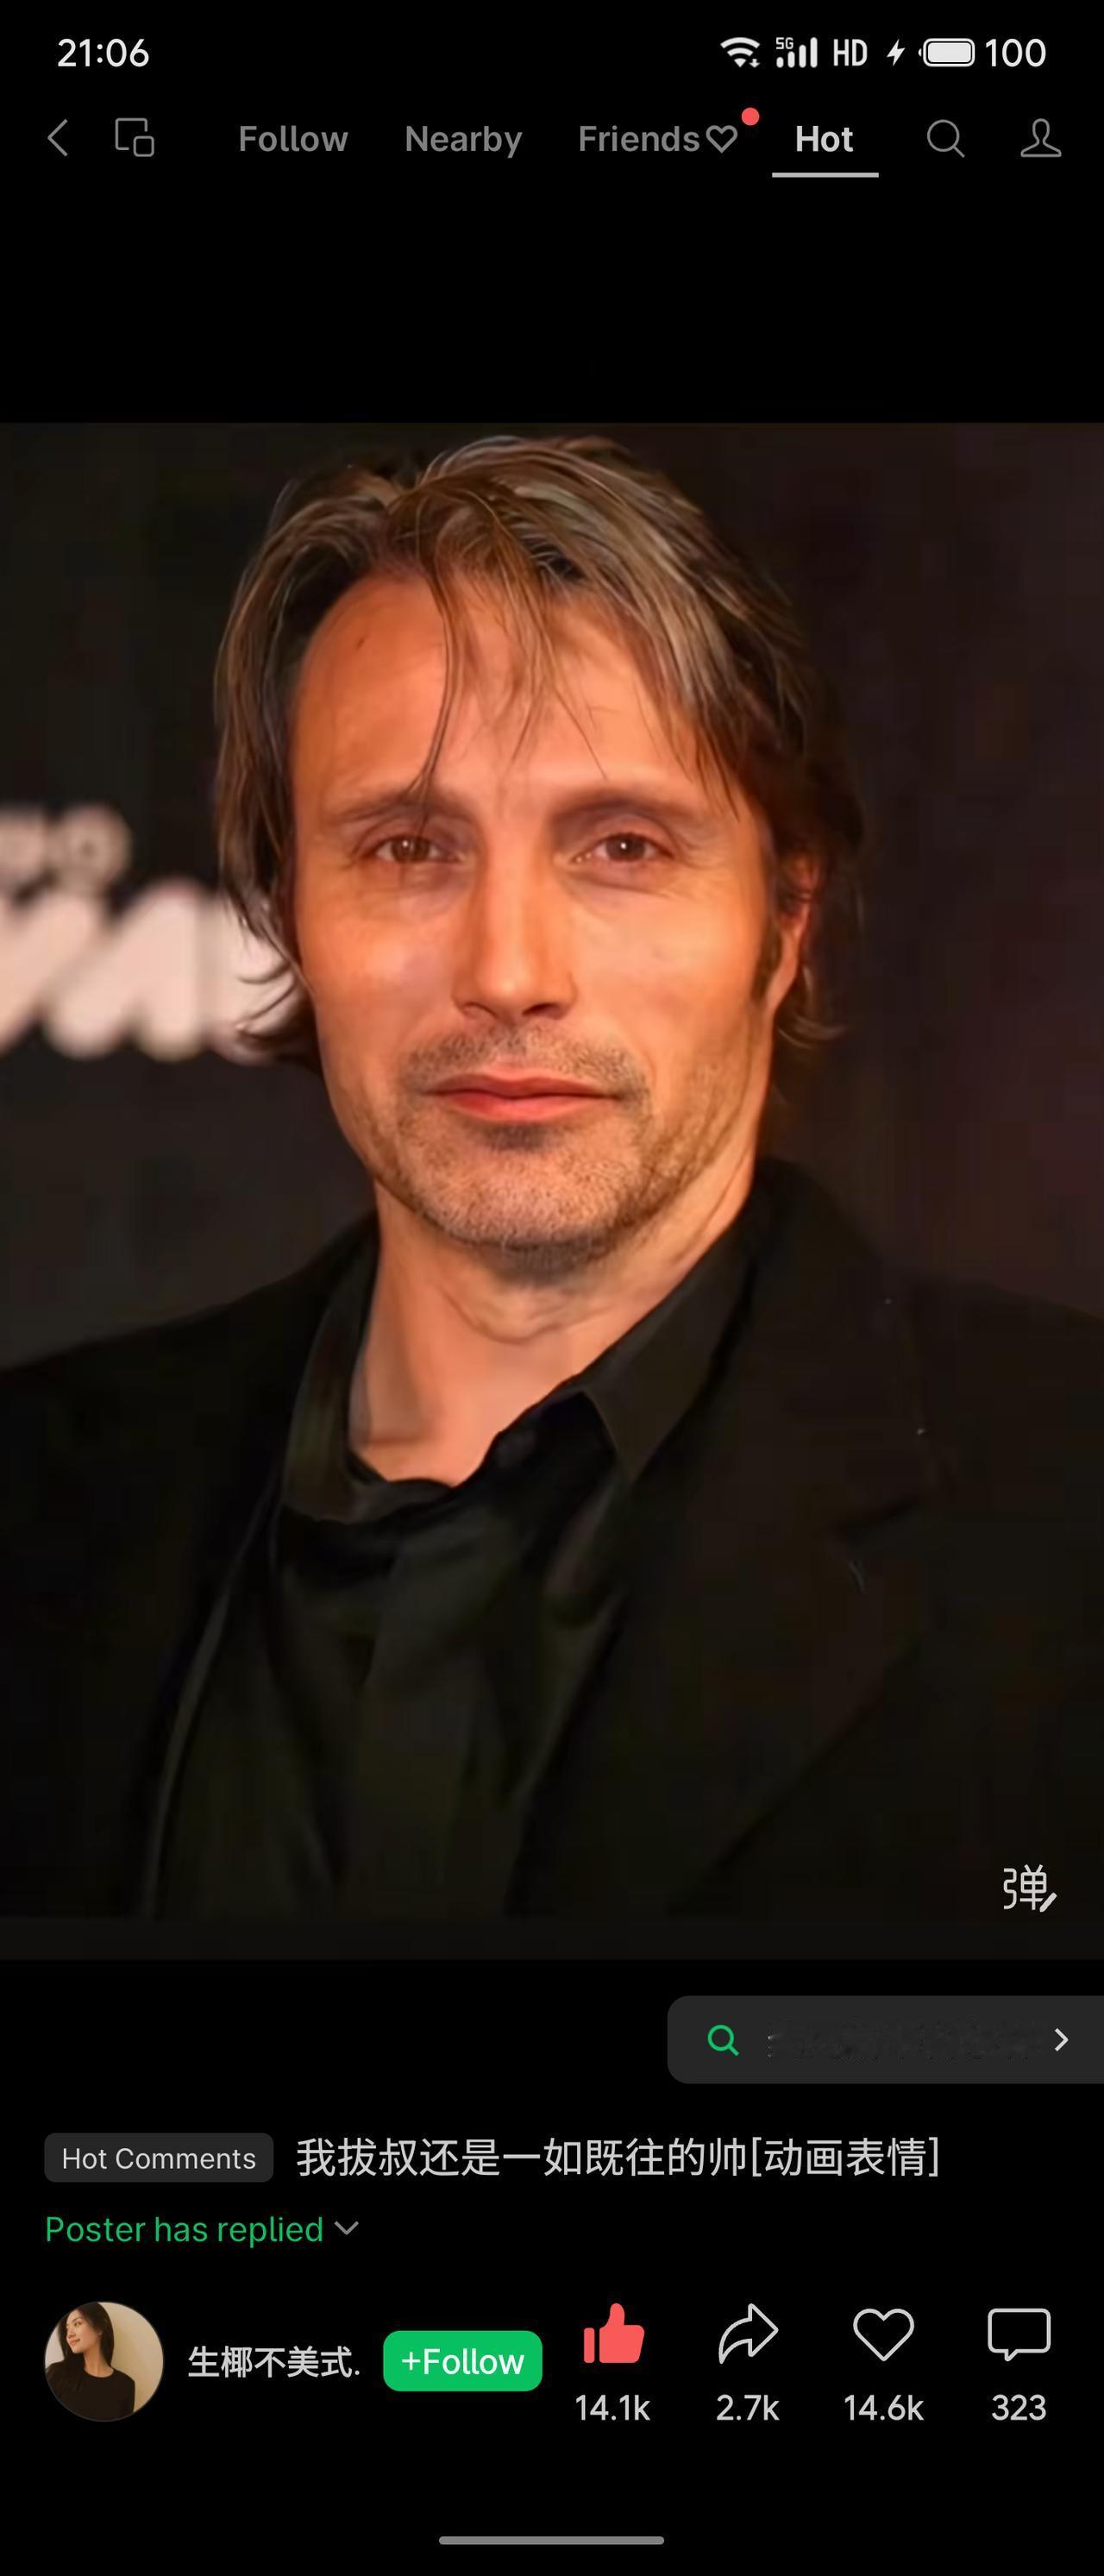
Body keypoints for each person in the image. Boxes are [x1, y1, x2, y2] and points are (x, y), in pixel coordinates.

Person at [3, 433, 1102, 1926]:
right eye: (409, 846)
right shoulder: (38, 1503)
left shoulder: (1071, 1514)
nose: (510, 969)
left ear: (783, 925)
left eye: (623, 846)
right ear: (288, 910)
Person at [46, 2306, 135, 2420]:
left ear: (99, 2328)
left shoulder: (126, 2385)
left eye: (77, 2324)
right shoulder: (57, 2375)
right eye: (67, 2329)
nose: (69, 2335)